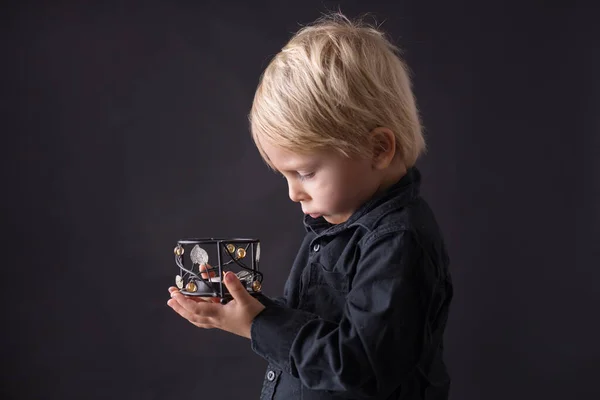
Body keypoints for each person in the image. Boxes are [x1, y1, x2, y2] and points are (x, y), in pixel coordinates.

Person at [167, 12, 453, 400]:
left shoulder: (398, 243)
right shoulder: (338, 221)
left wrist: (257, 324)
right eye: (284, 175)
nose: (292, 194)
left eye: (304, 172)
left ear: (378, 148)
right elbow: (314, 328)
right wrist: (248, 311)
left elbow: (358, 365)